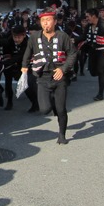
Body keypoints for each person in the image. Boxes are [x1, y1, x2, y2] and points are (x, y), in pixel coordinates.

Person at [21, 10, 78, 144]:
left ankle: (62, 135)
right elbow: (28, 52)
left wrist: (63, 69)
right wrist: (24, 66)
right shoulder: (34, 37)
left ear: (55, 21)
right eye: (43, 21)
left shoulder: (62, 36)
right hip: (42, 77)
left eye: (48, 20)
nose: (45, 23)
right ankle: (52, 103)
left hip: (59, 77)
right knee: (44, 109)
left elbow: (72, 53)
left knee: (61, 109)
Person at [84, 8, 104, 101]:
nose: (86, 18)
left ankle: (100, 94)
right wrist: (74, 40)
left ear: (93, 16)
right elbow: (84, 36)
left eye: (88, 17)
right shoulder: (88, 26)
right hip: (93, 51)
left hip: (103, 51)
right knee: (93, 72)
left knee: (100, 71)